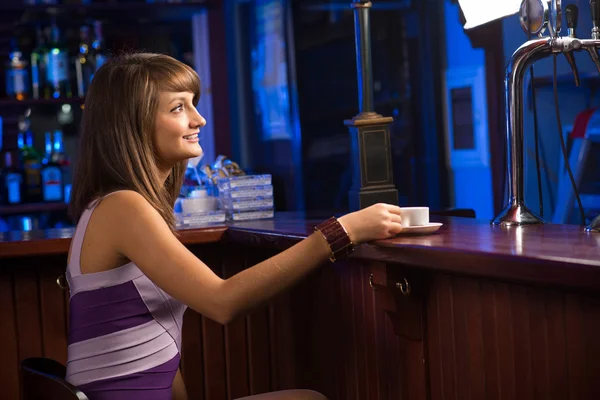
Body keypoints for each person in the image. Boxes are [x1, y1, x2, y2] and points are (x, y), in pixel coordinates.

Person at [65, 53, 404, 400]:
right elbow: (222, 302)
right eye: (178, 108)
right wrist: (341, 233)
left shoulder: (116, 205)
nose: (199, 119)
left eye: (192, 104)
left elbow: (160, 355)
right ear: (131, 124)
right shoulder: (123, 207)